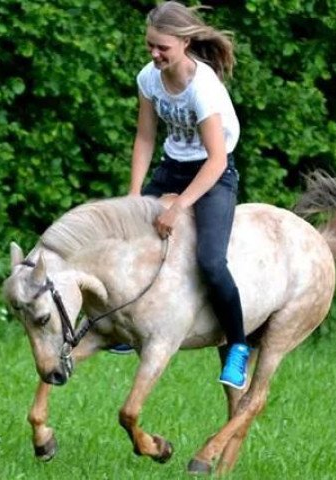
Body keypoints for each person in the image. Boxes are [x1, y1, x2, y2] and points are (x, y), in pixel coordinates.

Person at [110, 1, 250, 390]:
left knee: (211, 261)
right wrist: (135, 194)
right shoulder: (149, 78)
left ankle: (238, 345)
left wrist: (179, 207)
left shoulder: (203, 89)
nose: (155, 54)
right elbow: (145, 137)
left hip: (213, 174)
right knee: (124, 239)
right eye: (150, 46)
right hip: (172, 166)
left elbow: (217, 160)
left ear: (185, 43)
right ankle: (123, 329)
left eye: (162, 48)